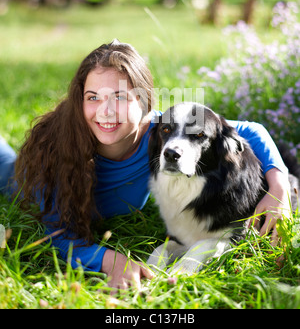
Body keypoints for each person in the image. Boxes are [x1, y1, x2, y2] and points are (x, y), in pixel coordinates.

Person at [0, 39, 291, 291]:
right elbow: (57, 236)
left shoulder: (164, 131)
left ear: (146, 104)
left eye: (120, 96)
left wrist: (278, 189)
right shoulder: (55, 154)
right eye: (93, 98)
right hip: (17, 180)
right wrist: (111, 260)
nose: (106, 111)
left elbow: (251, 130)